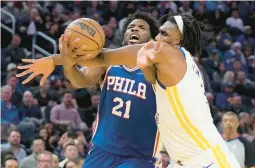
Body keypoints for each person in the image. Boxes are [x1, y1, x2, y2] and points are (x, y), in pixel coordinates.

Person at [17, 11, 160, 168]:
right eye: (131, 27)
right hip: (102, 149)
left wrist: (54, 59)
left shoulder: (157, 68)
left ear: (152, 38)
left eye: (142, 27)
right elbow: (79, 81)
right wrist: (68, 63)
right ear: (124, 34)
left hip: (139, 155)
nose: (134, 29)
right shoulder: (108, 64)